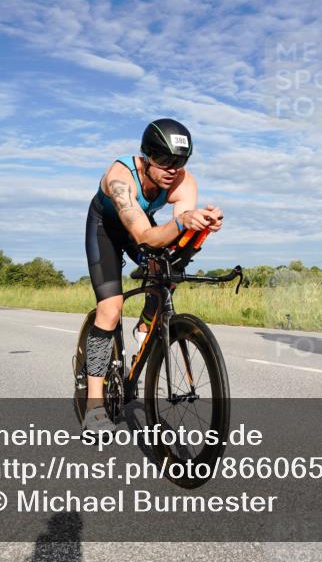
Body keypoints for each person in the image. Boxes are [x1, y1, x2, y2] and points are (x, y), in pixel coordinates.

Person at [83, 118, 223, 432]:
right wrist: (183, 221)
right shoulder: (120, 178)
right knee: (110, 309)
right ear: (146, 156)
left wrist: (201, 230)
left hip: (141, 227)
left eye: (180, 161)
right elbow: (144, 235)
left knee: (171, 266)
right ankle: (94, 405)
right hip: (106, 229)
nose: (172, 168)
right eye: (164, 160)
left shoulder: (184, 182)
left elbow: (175, 241)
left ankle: (147, 325)